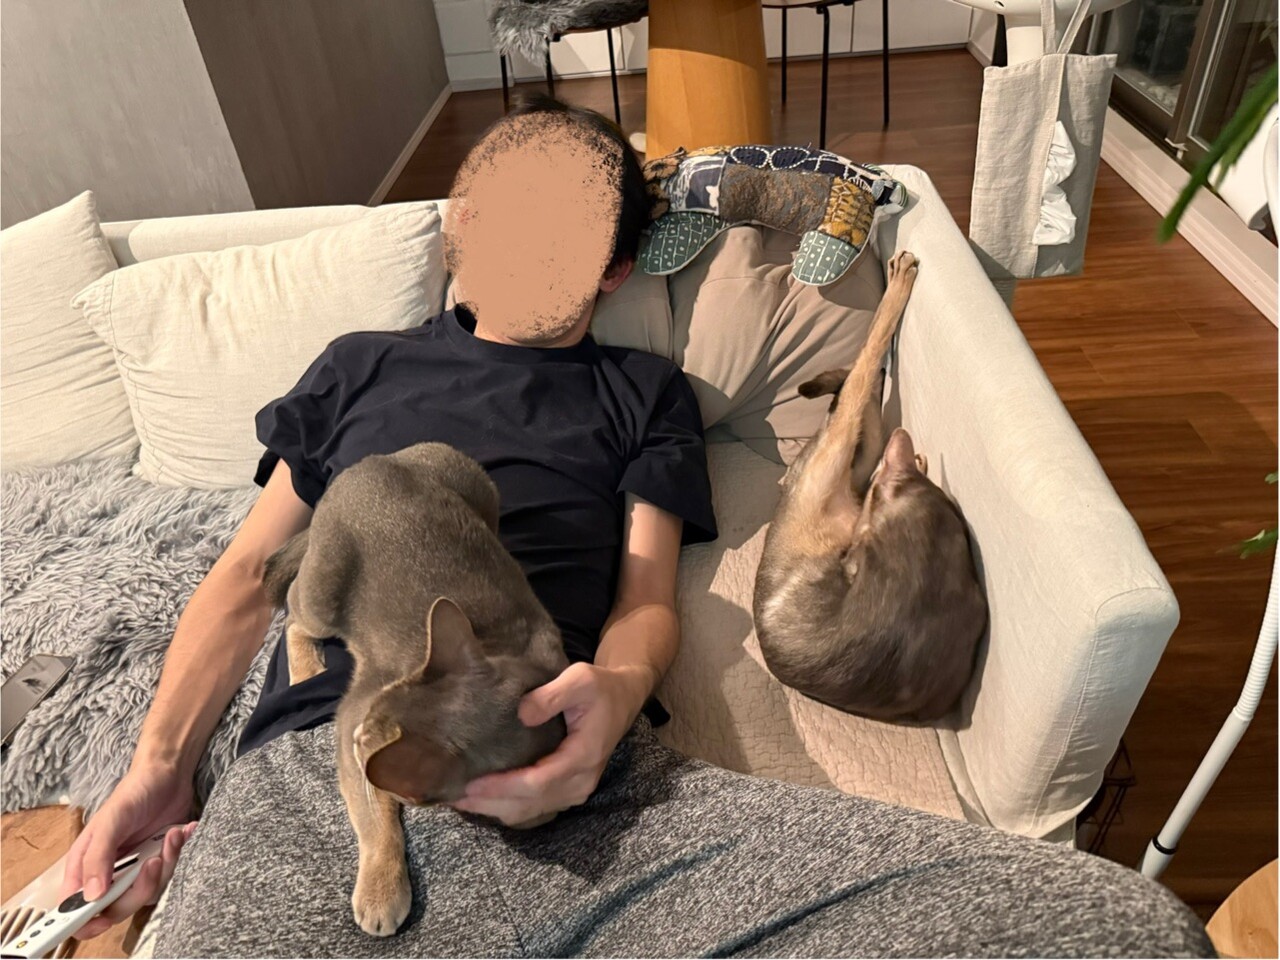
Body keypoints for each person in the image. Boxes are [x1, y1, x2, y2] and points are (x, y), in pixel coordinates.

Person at [62, 97, 1214, 957]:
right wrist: (155, 771)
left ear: (614, 269)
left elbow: (646, 597)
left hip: (579, 775)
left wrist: (613, 698)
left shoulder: (640, 391)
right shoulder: (359, 366)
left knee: (1117, 928)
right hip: (329, 775)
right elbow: (248, 574)